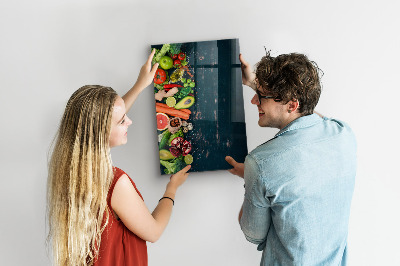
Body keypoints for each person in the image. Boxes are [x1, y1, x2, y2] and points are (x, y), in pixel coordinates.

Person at [46, 49, 191, 266]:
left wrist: (140, 85)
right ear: (100, 131)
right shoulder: (115, 183)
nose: (129, 122)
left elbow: (104, 119)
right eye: (122, 121)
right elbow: (154, 231)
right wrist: (172, 188)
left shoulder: (69, 170)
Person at [226, 51, 357, 265]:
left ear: (292, 105)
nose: (253, 100)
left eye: (260, 96)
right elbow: (310, 115)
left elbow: (253, 235)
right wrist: (254, 83)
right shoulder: (343, 134)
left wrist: (252, 177)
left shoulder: (260, 163)